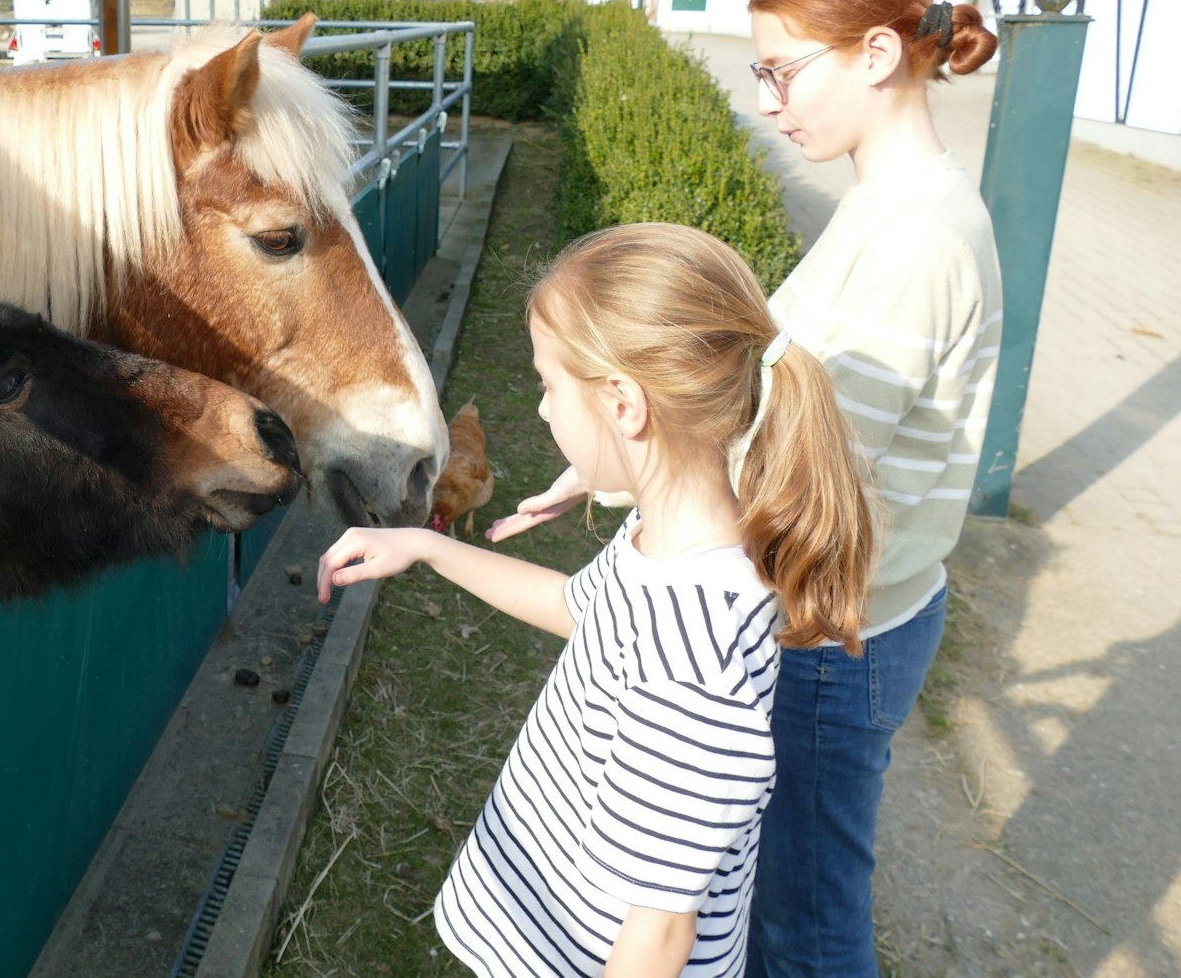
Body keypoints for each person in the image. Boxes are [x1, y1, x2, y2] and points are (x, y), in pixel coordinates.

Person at [486, 0, 1003, 977]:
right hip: (843, 607)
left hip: (825, 630)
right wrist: (598, 466)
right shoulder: (890, 204)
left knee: (801, 922)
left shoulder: (912, 240)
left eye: (780, 71)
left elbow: (802, 460)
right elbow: (784, 401)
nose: (765, 101)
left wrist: (642, 476)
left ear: (870, 53)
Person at [317, 222, 876, 977]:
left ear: (623, 403)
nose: (543, 411)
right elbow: (582, 609)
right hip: (546, 932)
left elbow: (660, 935)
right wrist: (428, 546)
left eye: (549, 385)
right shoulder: (668, 541)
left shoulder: (693, 655)